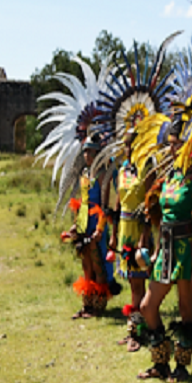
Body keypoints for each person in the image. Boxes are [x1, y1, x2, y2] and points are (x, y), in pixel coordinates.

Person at [137, 121, 192, 382]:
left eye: (177, 143)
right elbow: (162, 219)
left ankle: (181, 367)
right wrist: (155, 251)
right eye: (171, 143)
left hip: (187, 249)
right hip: (165, 248)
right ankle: (160, 362)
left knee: (185, 307)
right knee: (147, 306)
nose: (173, 148)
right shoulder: (169, 176)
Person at [65, 133, 118, 319]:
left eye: (91, 152)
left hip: (97, 224)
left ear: (98, 153)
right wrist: (76, 226)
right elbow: (83, 202)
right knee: (86, 265)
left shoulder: (103, 174)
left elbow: (105, 204)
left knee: (98, 264)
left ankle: (98, 304)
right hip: (85, 223)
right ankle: (87, 304)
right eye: (85, 151)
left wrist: (100, 229)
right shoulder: (85, 174)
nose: (87, 155)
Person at [110, 129, 153, 351]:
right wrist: (113, 234)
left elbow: (150, 205)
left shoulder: (147, 169)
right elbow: (118, 204)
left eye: (132, 144)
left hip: (138, 232)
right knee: (131, 282)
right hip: (124, 228)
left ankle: (137, 331)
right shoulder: (123, 170)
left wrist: (144, 238)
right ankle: (134, 328)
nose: (128, 148)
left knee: (138, 284)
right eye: (126, 144)